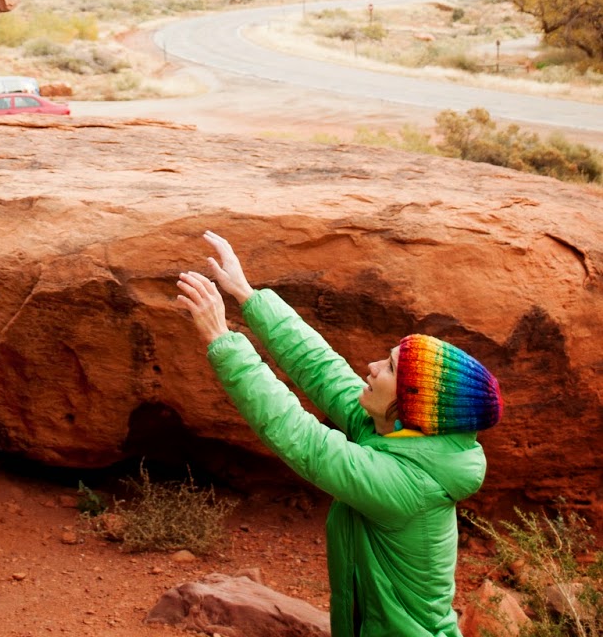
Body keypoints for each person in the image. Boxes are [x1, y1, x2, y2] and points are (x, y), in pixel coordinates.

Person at [176, 232, 503, 637]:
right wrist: (247, 294)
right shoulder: (395, 432)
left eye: (389, 368)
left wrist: (222, 340)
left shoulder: (408, 484)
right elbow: (321, 368)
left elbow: (301, 438)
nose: (371, 366)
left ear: (409, 406)